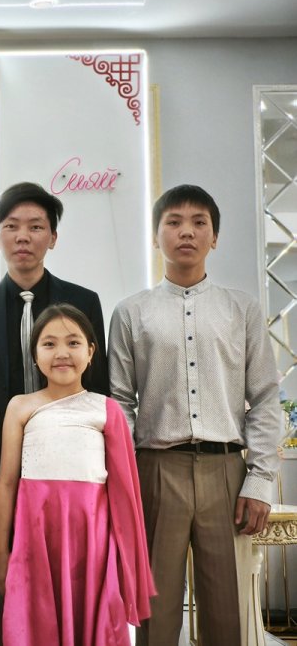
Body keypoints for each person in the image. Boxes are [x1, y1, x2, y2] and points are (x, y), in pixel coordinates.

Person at [108, 185, 280, 646]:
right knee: (155, 611)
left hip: (227, 472)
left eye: (199, 222)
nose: (186, 231)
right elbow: (120, 401)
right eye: (174, 222)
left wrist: (260, 480)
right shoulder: (130, 313)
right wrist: (125, 477)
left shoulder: (242, 309)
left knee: (227, 610)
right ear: (155, 236)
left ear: (214, 237)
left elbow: (265, 397)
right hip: (155, 469)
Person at [0, 304, 154, 645]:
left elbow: (124, 492)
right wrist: (0, 554)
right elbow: (6, 484)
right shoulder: (20, 407)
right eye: (49, 344)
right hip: (35, 540)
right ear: (34, 354)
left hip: (91, 544)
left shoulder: (107, 409)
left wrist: (123, 560)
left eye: (73, 342)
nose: (62, 353)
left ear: (91, 352)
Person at [0, 181, 109, 534]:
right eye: (11, 226)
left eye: (36, 227)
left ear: (53, 238)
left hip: (68, 460)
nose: (22, 237)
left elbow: (97, 385)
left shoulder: (83, 302)